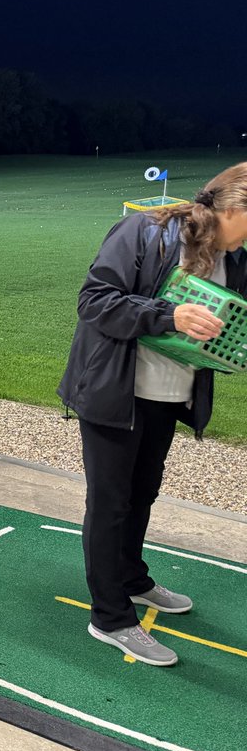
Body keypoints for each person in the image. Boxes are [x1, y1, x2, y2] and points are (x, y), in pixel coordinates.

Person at [58, 163, 247, 667]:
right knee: (111, 503)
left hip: (170, 394)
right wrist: (170, 315)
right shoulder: (146, 231)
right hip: (115, 392)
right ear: (233, 208)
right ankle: (110, 617)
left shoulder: (235, 258)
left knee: (142, 493)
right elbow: (95, 301)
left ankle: (131, 578)